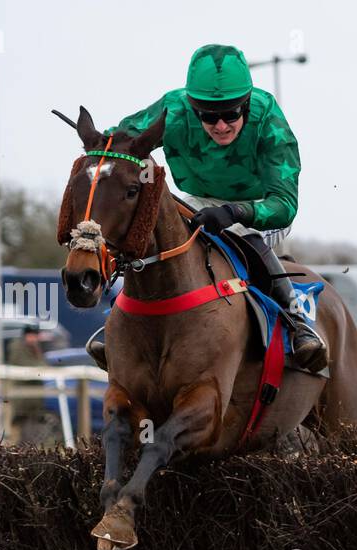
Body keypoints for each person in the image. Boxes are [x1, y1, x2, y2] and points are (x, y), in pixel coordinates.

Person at [89, 43, 326, 373]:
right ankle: (116, 316)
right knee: (154, 232)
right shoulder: (174, 109)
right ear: (193, 107)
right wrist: (99, 146)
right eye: (208, 116)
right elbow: (122, 140)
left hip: (260, 206)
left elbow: (284, 204)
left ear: (246, 104)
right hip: (195, 200)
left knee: (244, 235)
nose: (220, 126)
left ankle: (298, 324)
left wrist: (234, 213)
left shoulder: (269, 119)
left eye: (231, 114)